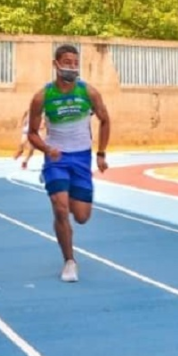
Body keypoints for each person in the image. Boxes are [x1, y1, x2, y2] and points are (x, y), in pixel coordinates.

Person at [25, 44, 111, 283]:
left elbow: (105, 120)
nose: (71, 67)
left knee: (82, 216)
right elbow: (32, 133)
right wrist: (46, 148)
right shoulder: (42, 97)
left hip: (81, 159)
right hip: (57, 159)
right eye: (67, 62)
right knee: (60, 208)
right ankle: (69, 261)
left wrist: (101, 153)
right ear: (56, 64)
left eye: (75, 62)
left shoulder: (89, 93)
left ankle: (67, 191)